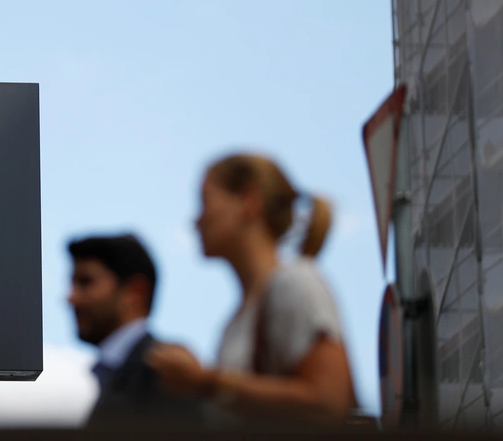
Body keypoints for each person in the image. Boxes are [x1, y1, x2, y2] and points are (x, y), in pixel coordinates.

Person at [145, 154, 361, 428]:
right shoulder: (239, 317)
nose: (196, 220)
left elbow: (329, 402)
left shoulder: (295, 282)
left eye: (205, 202)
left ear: (249, 202)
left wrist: (206, 381)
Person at [67, 234, 205, 430]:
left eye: (85, 282)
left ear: (135, 292)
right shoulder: (121, 374)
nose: (71, 298)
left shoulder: (165, 372)